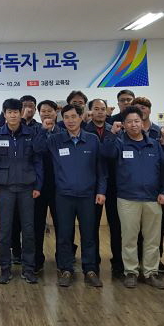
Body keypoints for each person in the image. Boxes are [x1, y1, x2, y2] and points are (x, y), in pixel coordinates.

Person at [36, 104, 106, 288]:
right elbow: (37, 149)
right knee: (64, 235)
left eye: (74, 116)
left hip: (87, 196)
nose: (70, 121)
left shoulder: (92, 140)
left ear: (81, 117)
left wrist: (101, 191)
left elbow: (101, 168)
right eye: (66, 117)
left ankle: (90, 270)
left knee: (89, 235)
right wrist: (43, 130)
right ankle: (65, 269)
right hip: (63, 196)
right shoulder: (55, 139)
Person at [103, 107, 164, 289]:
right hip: (127, 199)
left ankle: (151, 272)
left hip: (153, 199)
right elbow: (106, 154)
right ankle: (131, 272)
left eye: (136, 121)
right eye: (129, 122)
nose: (133, 125)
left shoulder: (154, 145)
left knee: (152, 239)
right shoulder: (119, 143)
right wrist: (112, 134)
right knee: (129, 238)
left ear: (142, 123)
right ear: (124, 125)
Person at [0, 98, 42, 284]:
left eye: (16, 112)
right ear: (5, 114)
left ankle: (28, 269)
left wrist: (38, 186)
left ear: (21, 113)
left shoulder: (31, 133)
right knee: (5, 230)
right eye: (9, 112)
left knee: (29, 230)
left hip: (27, 188)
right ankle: (5, 269)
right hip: (6, 188)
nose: (13, 115)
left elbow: (38, 161)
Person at [84, 98, 122, 276]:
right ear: (90, 111)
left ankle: (118, 263)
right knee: (92, 226)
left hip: (115, 183)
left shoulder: (115, 129)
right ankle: (93, 262)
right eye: (96, 109)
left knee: (116, 225)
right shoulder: (83, 130)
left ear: (107, 111)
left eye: (103, 109)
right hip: (92, 184)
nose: (100, 112)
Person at [131, 96, 164, 275]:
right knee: (133, 233)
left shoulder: (158, 133)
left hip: (154, 193)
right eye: (137, 108)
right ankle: (135, 264)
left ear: (149, 110)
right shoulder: (124, 136)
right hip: (131, 194)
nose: (141, 110)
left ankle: (154, 264)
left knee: (156, 232)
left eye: (144, 107)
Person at [34, 100, 60, 273]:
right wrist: (43, 130)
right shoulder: (35, 131)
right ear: (39, 113)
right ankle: (37, 260)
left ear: (56, 112)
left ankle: (63, 260)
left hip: (59, 186)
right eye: (43, 111)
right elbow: (37, 149)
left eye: (50, 111)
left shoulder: (63, 132)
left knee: (62, 225)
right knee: (37, 225)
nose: (46, 114)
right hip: (39, 187)